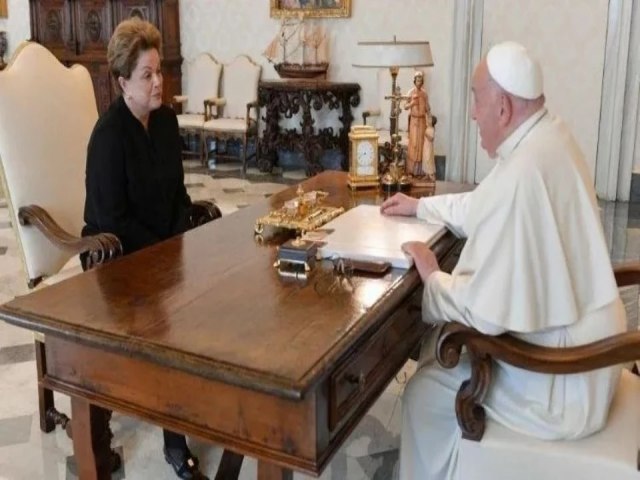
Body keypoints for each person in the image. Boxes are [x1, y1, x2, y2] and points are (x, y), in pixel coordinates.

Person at [381, 41, 625, 480]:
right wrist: (419, 208)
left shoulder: (524, 172)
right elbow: (482, 205)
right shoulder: (548, 136)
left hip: (566, 382)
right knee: (438, 357)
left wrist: (434, 278)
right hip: (594, 349)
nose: (472, 113)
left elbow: (482, 311)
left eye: (476, 99)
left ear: (504, 108)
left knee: (424, 391)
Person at [82, 18, 210, 480]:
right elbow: (111, 221)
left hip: (163, 249)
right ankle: (175, 444)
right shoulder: (108, 138)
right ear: (122, 83)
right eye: (147, 75)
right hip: (116, 261)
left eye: (160, 72)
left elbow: (178, 196)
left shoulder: (166, 122)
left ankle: (203, 403)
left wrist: (178, 245)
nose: (159, 83)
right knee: (170, 322)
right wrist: (163, 257)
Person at [403, 71, 432, 178]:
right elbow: (405, 107)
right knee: (414, 144)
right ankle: (411, 170)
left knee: (421, 145)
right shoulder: (410, 92)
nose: (419, 82)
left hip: (422, 121)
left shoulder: (424, 93)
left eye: (420, 80)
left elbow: (428, 107)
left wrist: (429, 119)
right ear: (414, 81)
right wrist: (412, 103)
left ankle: (420, 171)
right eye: (417, 80)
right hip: (414, 121)